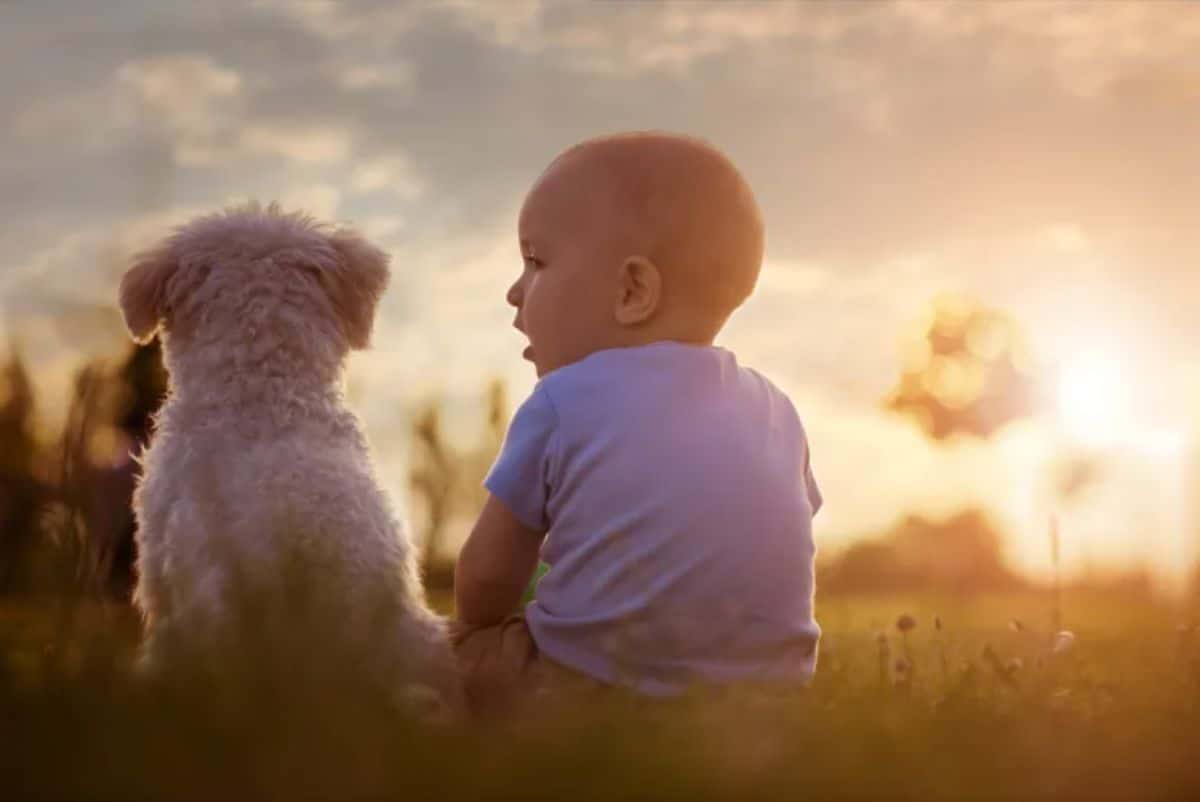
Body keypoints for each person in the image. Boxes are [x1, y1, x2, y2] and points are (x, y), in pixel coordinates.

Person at [452, 131, 823, 716]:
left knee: (456, 653)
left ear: (633, 291)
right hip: (765, 709)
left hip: (581, 698)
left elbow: (483, 587)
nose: (514, 291)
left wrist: (482, 627)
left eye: (534, 261)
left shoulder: (561, 401)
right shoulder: (779, 411)